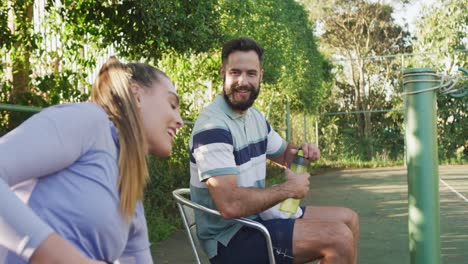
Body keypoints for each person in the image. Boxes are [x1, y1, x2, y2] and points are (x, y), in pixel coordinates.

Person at [189, 37, 359, 264]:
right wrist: (288, 189)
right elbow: (230, 205)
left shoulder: (255, 117)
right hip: (230, 239)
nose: (243, 81)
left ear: (261, 76)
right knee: (339, 238)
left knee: (349, 220)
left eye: (251, 73)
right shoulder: (212, 127)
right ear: (223, 73)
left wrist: (302, 152)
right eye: (235, 72)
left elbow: (284, 153)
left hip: (257, 219)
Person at [0, 57, 184, 264]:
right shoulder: (88, 122)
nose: (180, 121)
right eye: (172, 104)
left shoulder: (131, 193)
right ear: (136, 95)